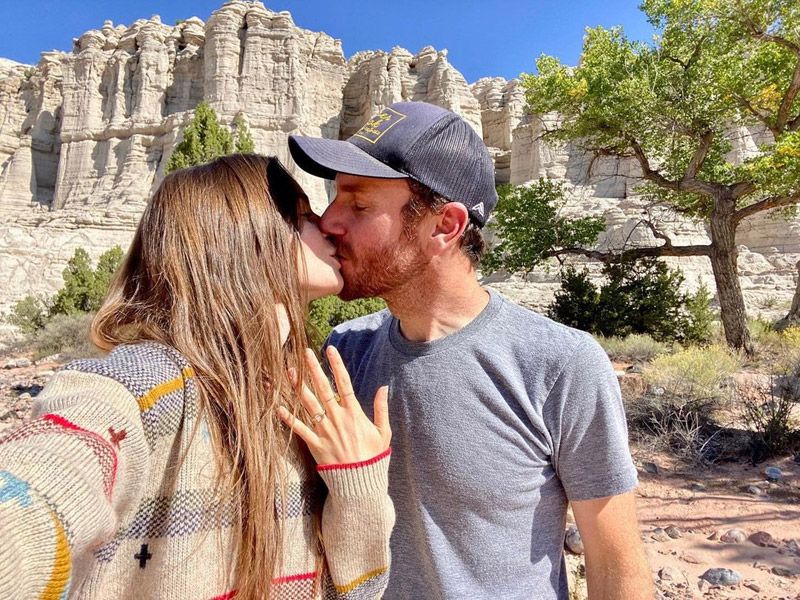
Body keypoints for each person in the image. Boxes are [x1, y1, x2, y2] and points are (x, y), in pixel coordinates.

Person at [288, 102, 654, 599]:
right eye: (334, 198)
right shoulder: (344, 352)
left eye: (358, 205)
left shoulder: (561, 364)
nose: (329, 221)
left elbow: (615, 567)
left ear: (445, 225)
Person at [0, 154, 394, 600]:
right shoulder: (150, 382)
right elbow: (44, 481)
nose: (326, 225)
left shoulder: (300, 401)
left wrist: (357, 484)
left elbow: (359, 591)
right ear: (243, 238)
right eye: (301, 216)